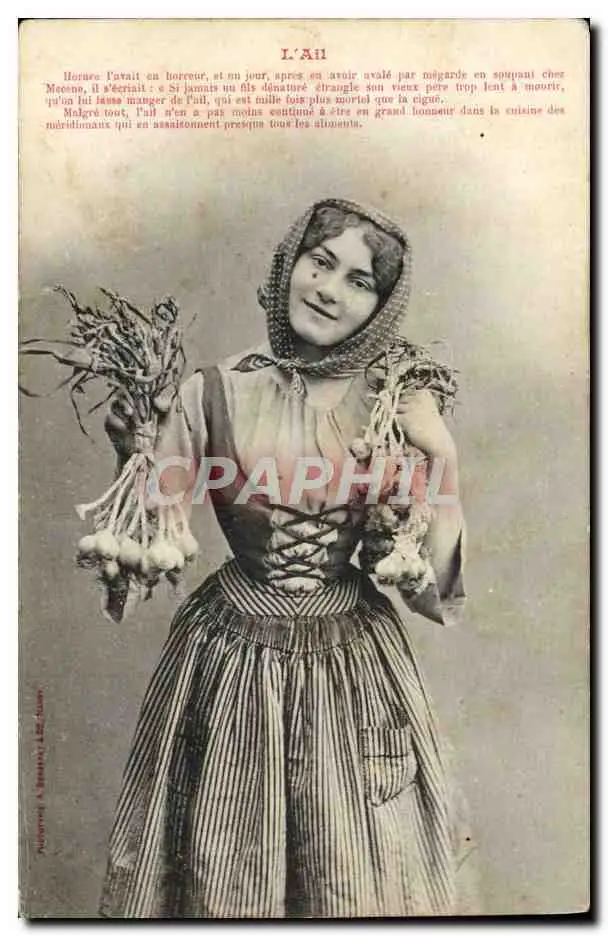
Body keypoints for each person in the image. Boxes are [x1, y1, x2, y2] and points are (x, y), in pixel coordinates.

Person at [99, 198, 476, 918]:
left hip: (354, 670)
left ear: (382, 307)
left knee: (354, 879)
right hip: (229, 665)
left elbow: (429, 592)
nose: (329, 290)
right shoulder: (210, 393)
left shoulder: (392, 405)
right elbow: (139, 570)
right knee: (224, 874)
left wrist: (440, 453)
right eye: (320, 263)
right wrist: (134, 455)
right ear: (289, 265)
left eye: (359, 282)